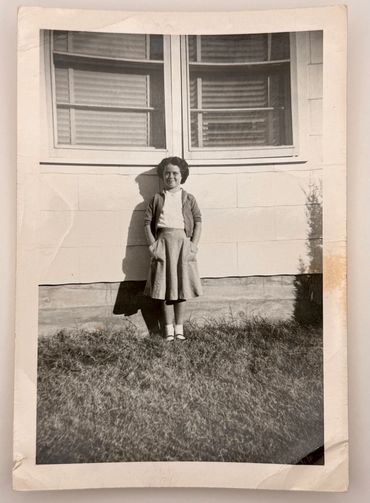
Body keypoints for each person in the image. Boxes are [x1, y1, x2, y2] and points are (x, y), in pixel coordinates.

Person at [144, 156, 203, 341]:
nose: (171, 177)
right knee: (164, 288)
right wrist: (153, 245)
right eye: (167, 173)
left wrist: (193, 244)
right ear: (162, 175)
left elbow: (199, 221)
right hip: (163, 245)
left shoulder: (188, 198)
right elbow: (146, 223)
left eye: (175, 173)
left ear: (182, 175)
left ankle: (179, 328)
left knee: (181, 288)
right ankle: (168, 329)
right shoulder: (156, 199)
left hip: (182, 245)